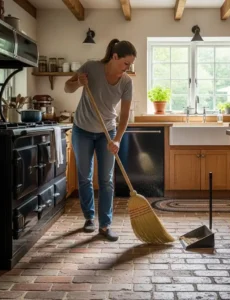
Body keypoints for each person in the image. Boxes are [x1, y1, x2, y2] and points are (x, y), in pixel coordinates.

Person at [64, 39, 137, 241]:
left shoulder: (126, 82)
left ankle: (105, 225)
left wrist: (118, 140)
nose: (127, 68)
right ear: (115, 57)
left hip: (108, 133)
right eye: (126, 63)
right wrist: (78, 82)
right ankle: (89, 218)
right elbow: (66, 88)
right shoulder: (91, 67)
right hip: (82, 130)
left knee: (106, 180)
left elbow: (124, 116)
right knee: (85, 177)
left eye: (130, 64)